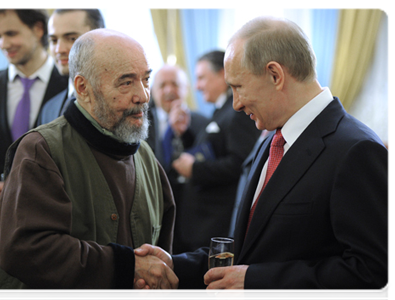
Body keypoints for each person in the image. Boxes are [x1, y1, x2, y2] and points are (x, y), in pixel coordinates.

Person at [136, 16, 391, 300]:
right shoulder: (271, 139)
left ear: (275, 75)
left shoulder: (357, 150)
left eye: (239, 87)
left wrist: (258, 283)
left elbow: (375, 274)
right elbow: (249, 249)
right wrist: (173, 266)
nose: (235, 103)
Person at [0, 28, 178, 300]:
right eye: (126, 82)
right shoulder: (41, 151)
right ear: (83, 88)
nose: (143, 96)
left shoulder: (146, 158)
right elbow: (26, 250)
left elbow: (158, 259)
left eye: (146, 79)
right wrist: (126, 267)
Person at [0, 8, 68, 299]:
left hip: (52, 241)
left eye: (11, 33)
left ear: (39, 30)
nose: (3, 43)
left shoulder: (69, 85)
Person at [171, 50, 261, 254]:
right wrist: (184, 135)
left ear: (222, 74)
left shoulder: (238, 112)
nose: (197, 86)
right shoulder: (220, 112)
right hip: (199, 223)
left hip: (214, 224)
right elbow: (210, 150)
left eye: (201, 77)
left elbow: (240, 163)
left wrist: (195, 169)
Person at [147, 64, 209, 216]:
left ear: (186, 88)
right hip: (155, 205)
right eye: (162, 86)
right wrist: (170, 130)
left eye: (175, 84)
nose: (169, 90)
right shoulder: (142, 122)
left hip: (193, 211)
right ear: (153, 92)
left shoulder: (203, 123)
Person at [38, 8, 105, 125]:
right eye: (53, 40)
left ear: (100, 37)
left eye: (72, 38)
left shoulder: (118, 101)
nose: (59, 49)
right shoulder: (49, 109)